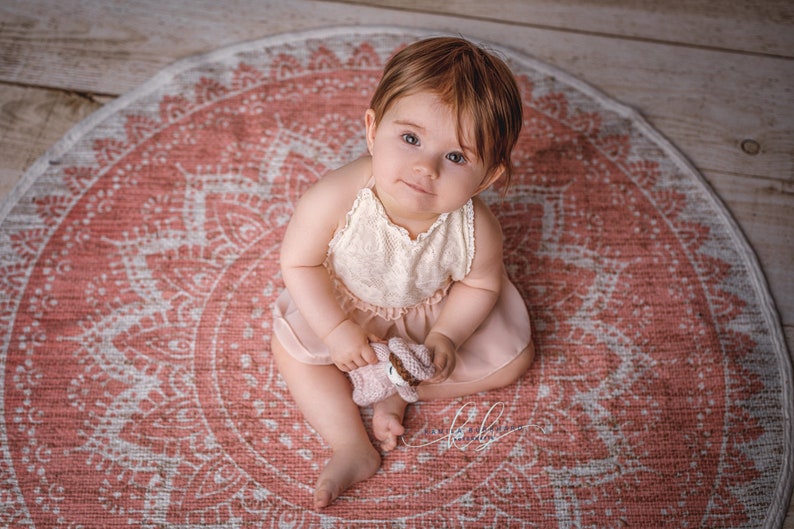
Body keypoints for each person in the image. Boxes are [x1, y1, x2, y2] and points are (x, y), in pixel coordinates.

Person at [271, 36, 534, 509]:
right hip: (345, 304)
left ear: (488, 177)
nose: (424, 167)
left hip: (426, 317)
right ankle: (350, 443)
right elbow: (299, 262)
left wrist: (448, 336)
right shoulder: (337, 196)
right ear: (373, 129)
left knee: (517, 359)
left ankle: (401, 383)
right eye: (410, 138)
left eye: (456, 157)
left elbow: (479, 284)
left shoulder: (478, 230)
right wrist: (334, 330)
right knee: (289, 349)